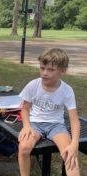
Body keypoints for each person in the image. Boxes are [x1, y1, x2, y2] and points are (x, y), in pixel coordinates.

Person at [18, 48, 80, 176]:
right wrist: (26, 126)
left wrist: (74, 144)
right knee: (24, 147)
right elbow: (24, 108)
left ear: (62, 70)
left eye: (51, 70)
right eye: (42, 68)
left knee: (69, 154)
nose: (44, 73)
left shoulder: (67, 90)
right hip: (35, 124)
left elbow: (74, 119)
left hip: (56, 125)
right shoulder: (33, 85)